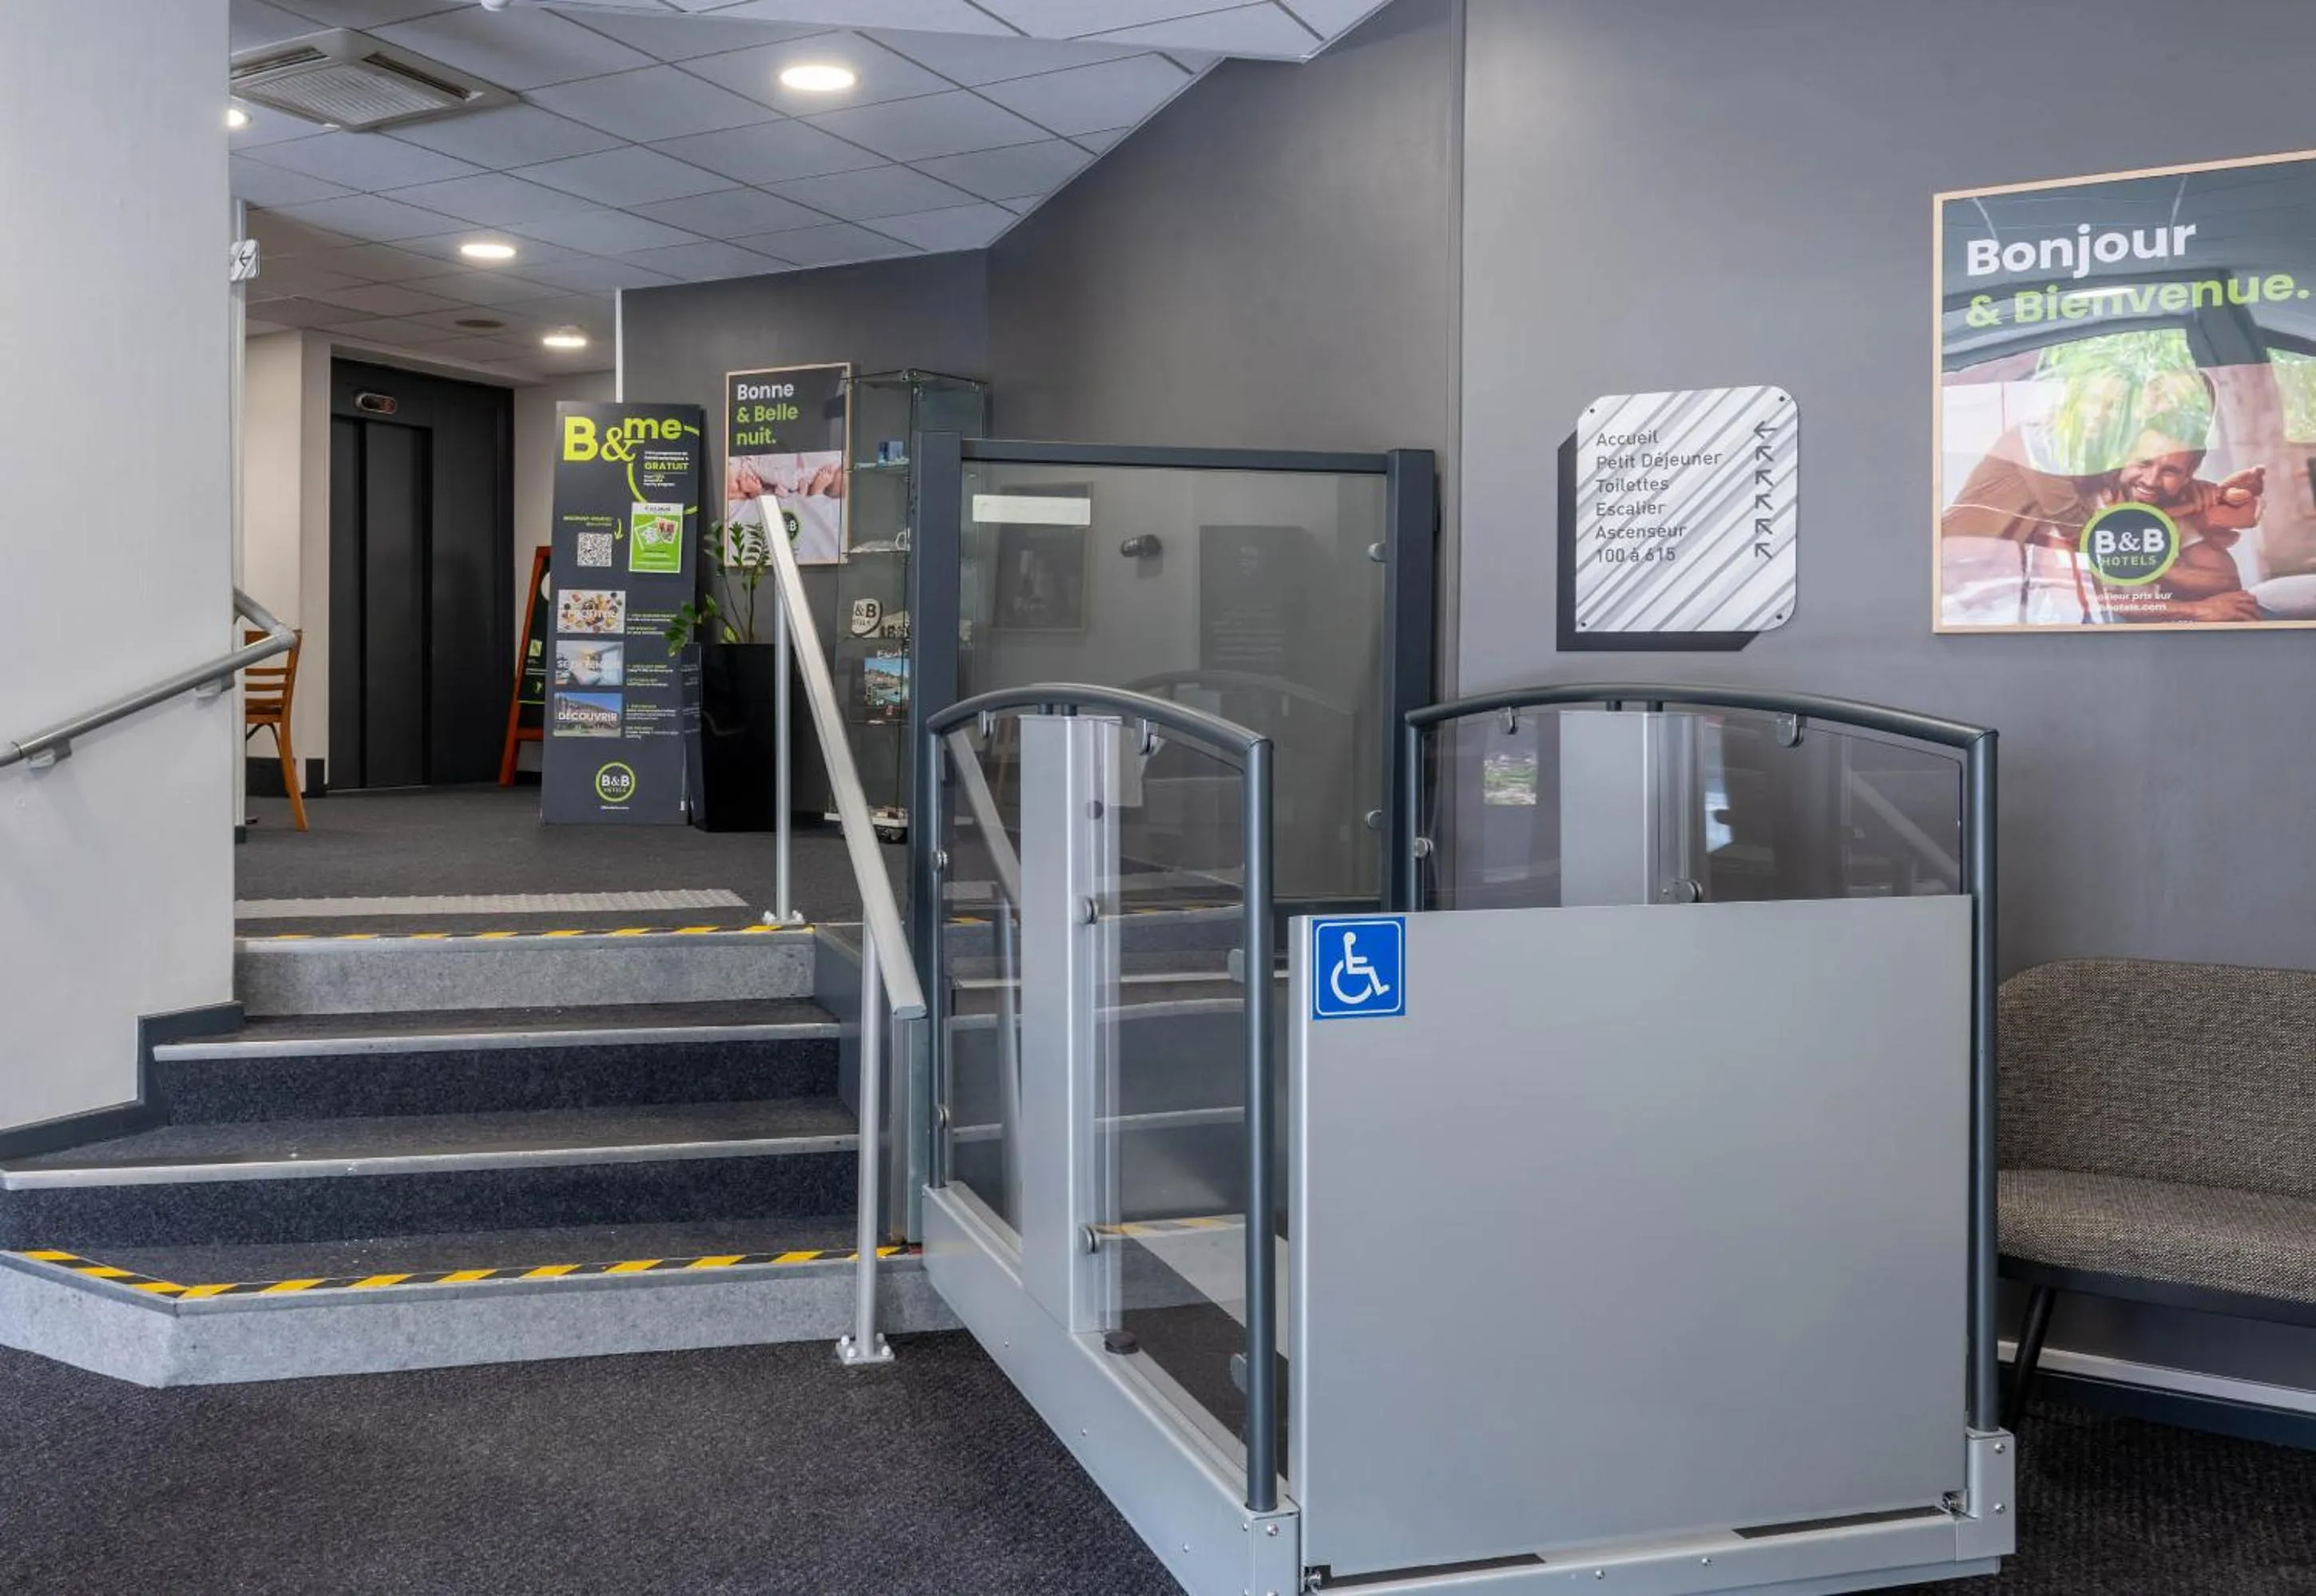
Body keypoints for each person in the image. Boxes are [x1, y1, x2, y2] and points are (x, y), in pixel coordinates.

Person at [1941, 395, 2265, 624]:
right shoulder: (2072, 504)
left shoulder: (2163, 511)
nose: (2152, 480)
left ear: (2187, 476)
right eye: (2143, 462)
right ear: (2119, 457)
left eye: (2171, 472)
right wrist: (2195, 610)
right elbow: (2081, 598)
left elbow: (2224, 581)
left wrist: (2159, 558)